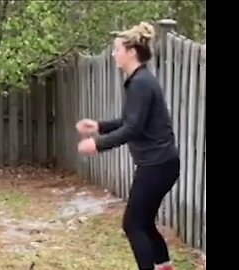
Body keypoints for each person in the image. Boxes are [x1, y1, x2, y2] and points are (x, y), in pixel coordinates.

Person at [75, 22, 180, 270]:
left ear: (131, 51)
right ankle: (165, 266)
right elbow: (131, 121)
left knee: (133, 224)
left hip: (157, 165)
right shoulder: (140, 81)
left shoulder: (141, 83)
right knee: (143, 222)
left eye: (116, 49)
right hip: (161, 164)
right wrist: (99, 126)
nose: (114, 54)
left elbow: (133, 129)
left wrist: (97, 145)